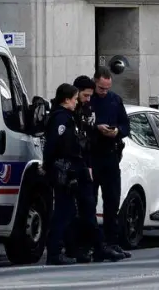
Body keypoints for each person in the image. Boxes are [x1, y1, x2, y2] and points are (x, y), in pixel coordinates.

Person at [86, 66, 131, 261]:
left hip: (111, 155)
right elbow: (83, 124)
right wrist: (97, 128)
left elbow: (126, 126)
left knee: (112, 202)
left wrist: (116, 131)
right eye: (101, 88)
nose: (104, 91)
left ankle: (112, 242)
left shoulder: (115, 100)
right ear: (95, 82)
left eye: (107, 88)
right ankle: (92, 244)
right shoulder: (88, 100)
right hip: (93, 156)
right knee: (89, 202)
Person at [43, 84, 87, 266]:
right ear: (67, 99)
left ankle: (66, 249)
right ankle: (54, 252)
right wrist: (49, 166)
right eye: (75, 99)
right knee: (63, 211)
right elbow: (54, 144)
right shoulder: (61, 118)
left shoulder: (68, 117)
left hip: (68, 168)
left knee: (68, 211)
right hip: (63, 169)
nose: (77, 102)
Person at [65, 76, 102, 262]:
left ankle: (92, 247)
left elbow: (88, 139)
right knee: (73, 211)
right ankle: (75, 248)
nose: (88, 99)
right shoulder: (69, 112)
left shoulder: (87, 110)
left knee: (88, 207)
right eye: (85, 95)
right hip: (74, 166)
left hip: (86, 164)